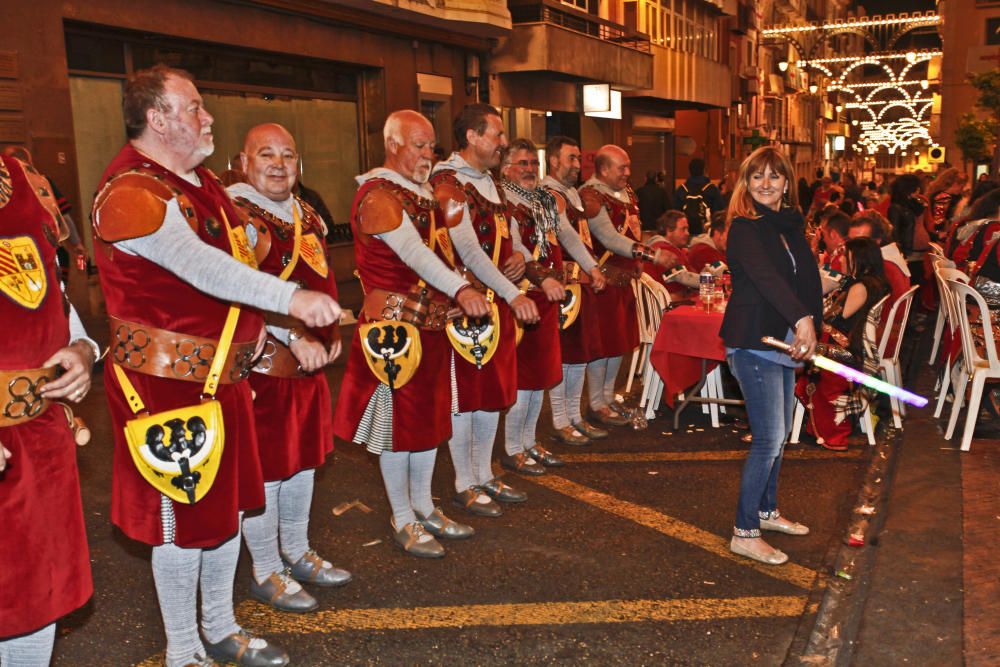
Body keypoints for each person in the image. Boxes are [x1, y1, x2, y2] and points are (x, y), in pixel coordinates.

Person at [92, 64, 340, 667]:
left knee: (226, 513)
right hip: (165, 389)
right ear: (157, 119)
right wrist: (293, 301)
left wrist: (277, 330)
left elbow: (241, 284)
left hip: (222, 381)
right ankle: (183, 651)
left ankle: (221, 625)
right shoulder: (131, 193)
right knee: (182, 521)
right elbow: (201, 266)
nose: (207, 119)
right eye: (195, 107)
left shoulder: (199, 187)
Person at [333, 110, 487, 557]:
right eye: (418, 145)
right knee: (399, 430)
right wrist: (461, 287)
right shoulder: (379, 195)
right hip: (393, 334)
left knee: (428, 424)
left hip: (429, 326)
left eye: (431, 146)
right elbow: (414, 253)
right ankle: (402, 517)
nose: (427, 154)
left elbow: (445, 252)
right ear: (392, 145)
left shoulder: (418, 195)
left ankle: (423, 506)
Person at [227, 124, 351, 612]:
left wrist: (329, 332)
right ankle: (266, 569)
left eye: (288, 155)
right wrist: (296, 336)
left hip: (307, 368)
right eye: (266, 155)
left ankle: (296, 551)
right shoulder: (236, 215)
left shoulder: (305, 213)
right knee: (269, 473)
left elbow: (317, 279)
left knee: (303, 464)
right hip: (266, 369)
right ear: (243, 161)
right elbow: (244, 286)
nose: (279, 164)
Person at [0, 152, 98, 666]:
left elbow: (53, 294)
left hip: (41, 434)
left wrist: (82, 350)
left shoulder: (26, 180)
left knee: (37, 597)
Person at [430, 104, 540, 515]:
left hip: (495, 301)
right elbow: (469, 252)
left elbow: (504, 235)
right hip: (467, 305)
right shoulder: (449, 183)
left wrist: (520, 258)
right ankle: (465, 480)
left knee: (491, 394)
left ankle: (485, 473)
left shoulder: (489, 182)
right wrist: (512, 293)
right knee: (467, 397)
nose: (503, 142)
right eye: (496, 134)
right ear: (473, 137)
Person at [720, 145, 822, 565]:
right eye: (757, 176)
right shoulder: (745, 227)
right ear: (746, 182)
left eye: (774, 176)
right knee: (768, 437)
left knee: (778, 436)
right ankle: (744, 531)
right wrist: (802, 318)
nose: (765, 184)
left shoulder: (789, 224)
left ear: (786, 183)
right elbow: (764, 278)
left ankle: (765, 512)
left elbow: (802, 277)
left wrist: (813, 320)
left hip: (779, 342)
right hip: (753, 340)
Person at [500, 138, 592, 474]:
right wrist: (541, 280)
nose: (528, 170)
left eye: (531, 164)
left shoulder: (543, 199)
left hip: (547, 294)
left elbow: (567, 235)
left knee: (541, 374)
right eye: (521, 163)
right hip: (523, 294)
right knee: (524, 377)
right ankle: (512, 447)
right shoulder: (502, 200)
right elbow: (519, 248)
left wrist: (592, 266)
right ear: (505, 168)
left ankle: (529, 442)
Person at [580, 145, 676, 428]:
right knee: (602, 346)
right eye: (621, 168)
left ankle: (608, 399)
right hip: (602, 283)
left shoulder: (627, 193)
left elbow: (633, 228)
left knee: (619, 344)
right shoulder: (591, 196)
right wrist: (651, 254)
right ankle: (596, 403)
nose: (627, 173)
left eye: (628, 167)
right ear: (604, 169)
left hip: (623, 283)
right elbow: (609, 238)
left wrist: (637, 259)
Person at [539, 136, 608, 446]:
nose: (578, 165)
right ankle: (559, 420)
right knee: (564, 354)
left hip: (579, 283)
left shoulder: (570, 194)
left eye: (579, 159)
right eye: (572, 159)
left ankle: (574, 416)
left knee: (579, 353)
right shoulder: (546, 194)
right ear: (554, 161)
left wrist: (591, 267)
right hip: (561, 286)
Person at [795, 237, 889, 451]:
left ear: (858, 258)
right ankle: (811, 422)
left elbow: (837, 319)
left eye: (845, 257)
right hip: (858, 347)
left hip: (849, 354)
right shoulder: (875, 282)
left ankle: (822, 427)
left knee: (794, 351)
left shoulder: (861, 286)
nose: (841, 261)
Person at [888, 173, 928, 279]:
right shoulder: (897, 208)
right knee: (914, 280)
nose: (918, 191)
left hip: (919, 253)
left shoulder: (915, 205)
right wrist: (901, 254)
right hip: (909, 253)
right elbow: (895, 233)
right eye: (916, 188)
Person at [674, 157, 723, 236]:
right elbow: (719, 212)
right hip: (706, 232)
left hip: (686, 232)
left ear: (689, 171)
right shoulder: (712, 189)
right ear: (704, 170)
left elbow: (675, 213)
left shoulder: (682, 190)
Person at [925, 167, 966, 240]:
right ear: (955, 184)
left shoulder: (940, 195)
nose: (962, 189)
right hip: (940, 236)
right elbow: (938, 220)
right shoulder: (943, 197)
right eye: (961, 186)